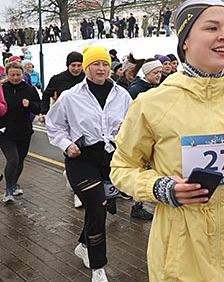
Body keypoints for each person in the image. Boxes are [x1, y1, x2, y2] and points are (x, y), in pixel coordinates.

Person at [110, 0, 224, 282]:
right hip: (179, 250)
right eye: (211, 28)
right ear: (185, 41)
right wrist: (161, 187)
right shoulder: (152, 103)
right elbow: (121, 169)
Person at [46, 46, 132, 282]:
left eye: (105, 64)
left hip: (110, 160)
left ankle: (84, 245)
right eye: (96, 64)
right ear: (86, 67)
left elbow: (134, 123)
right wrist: (66, 144)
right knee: (95, 208)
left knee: (101, 207)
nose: (101, 69)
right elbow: (54, 125)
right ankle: (98, 267)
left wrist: (127, 132)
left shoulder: (122, 95)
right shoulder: (70, 96)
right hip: (81, 158)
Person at [39, 51, 85, 209]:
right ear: (68, 65)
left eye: (79, 65)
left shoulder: (87, 78)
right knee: (72, 154)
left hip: (85, 122)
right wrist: (44, 112)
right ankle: (77, 193)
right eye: (73, 65)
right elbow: (46, 95)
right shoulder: (58, 79)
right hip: (66, 122)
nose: (76, 69)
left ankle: (72, 177)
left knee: (84, 156)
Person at [0, 61, 41, 203]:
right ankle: (8, 189)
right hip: (5, 132)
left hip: (24, 131)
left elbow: (39, 107)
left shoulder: (29, 89)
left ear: (23, 74)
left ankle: (14, 183)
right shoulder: (2, 88)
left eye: (18, 75)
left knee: (20, 160)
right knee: (13, 160)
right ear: (7, 74)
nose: (15, 78)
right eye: (12, 75)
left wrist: (30, 104)